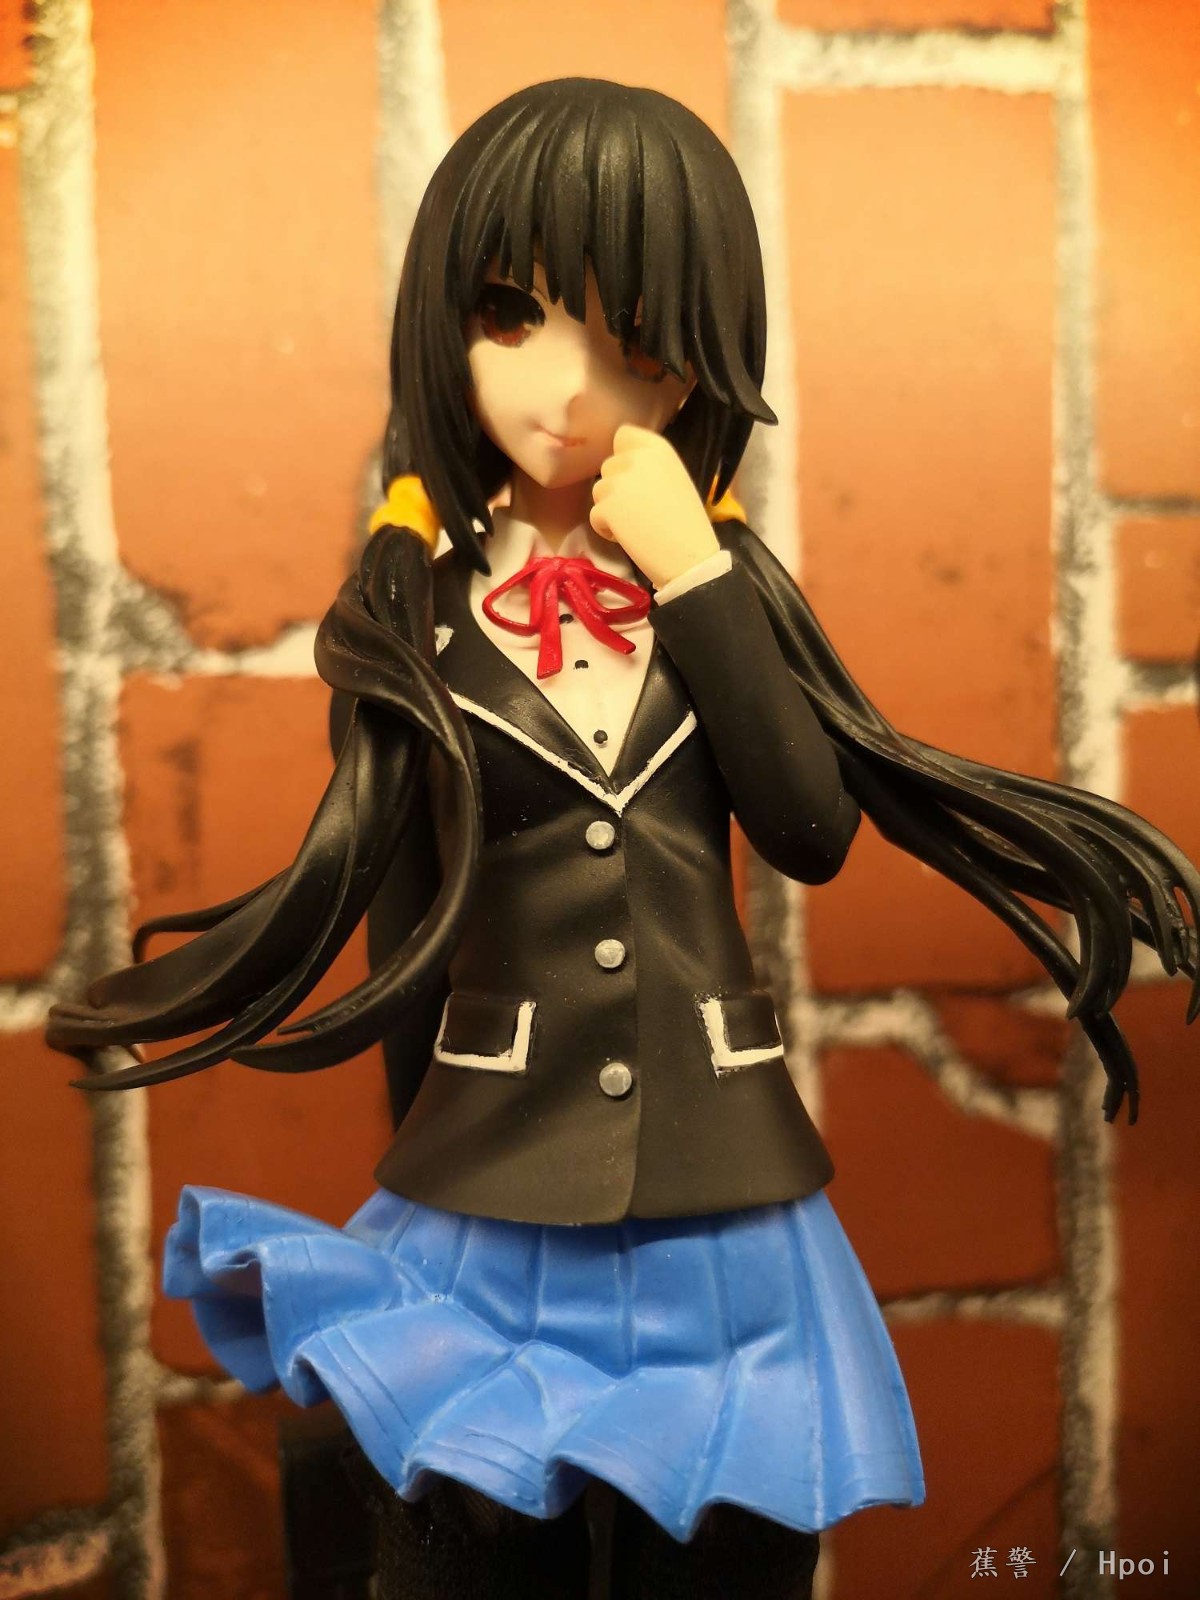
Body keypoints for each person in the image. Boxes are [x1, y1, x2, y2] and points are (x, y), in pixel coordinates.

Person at [48, 79, 1198, 1600]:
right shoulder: (410, 626)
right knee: (480, 1540)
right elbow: (407, 929)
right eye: (512, 316)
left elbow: (810, 829)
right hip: (492, 1186)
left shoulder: (721, 588)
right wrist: (425, 1162)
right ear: (444, 323)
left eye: (634, 345)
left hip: (719, 1193)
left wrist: (695, 572)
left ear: (703, 362)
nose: (566, 388)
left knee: (718, 1550)